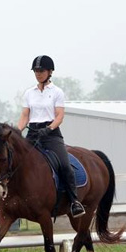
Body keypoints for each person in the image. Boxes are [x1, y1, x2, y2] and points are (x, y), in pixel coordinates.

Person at [17, 55, 86, 218]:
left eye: (41, 71)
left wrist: (49, 128)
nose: (38, 73)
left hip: (51, 134)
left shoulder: (57, 92)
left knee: (64, 165)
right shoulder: (29, 93)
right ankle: (14, 202)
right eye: (36, 71)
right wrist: (17, 131)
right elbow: (25, 115)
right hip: (33, 133)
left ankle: (74, 201)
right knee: (17, 164)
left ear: (50, 72)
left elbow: (60, 116)